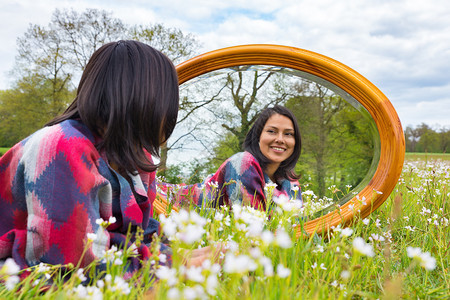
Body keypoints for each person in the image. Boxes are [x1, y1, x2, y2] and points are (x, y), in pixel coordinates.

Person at [0, 40, 213, 275]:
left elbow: (139, 232)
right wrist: (169, 267)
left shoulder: (135, 159)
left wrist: (173, 254)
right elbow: (66, 263)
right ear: (147, 99)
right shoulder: (61, 147)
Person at [160, 105, 302, 211]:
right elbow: (249, 223)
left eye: (288, 134)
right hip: (165, 200)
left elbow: (297, 229)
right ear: (258, 137)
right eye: (272, 131)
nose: (280, 139)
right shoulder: (243, 163)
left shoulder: (291, 184)